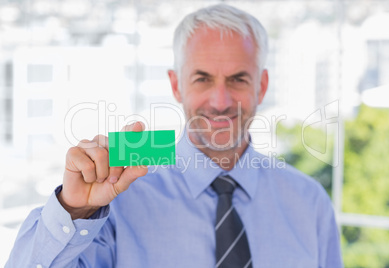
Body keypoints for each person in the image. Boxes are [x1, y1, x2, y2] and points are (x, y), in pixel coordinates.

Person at [6, 4, 343, 268]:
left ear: (262, 86)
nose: (221, 101)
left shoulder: (310, 204)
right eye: (203, 79)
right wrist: (73, 210)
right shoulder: (117, 198)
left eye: (239, 79)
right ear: (176, 85)